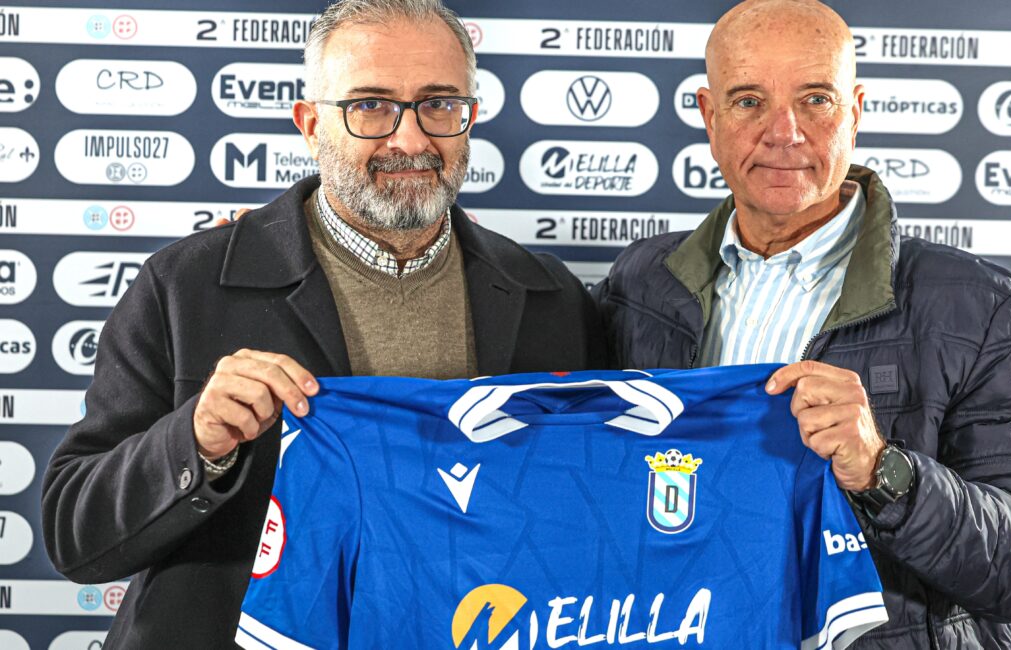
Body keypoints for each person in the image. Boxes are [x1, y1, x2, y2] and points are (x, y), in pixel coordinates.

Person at [41, 0, 603, 646]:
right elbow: (73, 534)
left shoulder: (551, 299)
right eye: (371, 106)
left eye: (439, 104)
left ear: (468, 116)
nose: (411, 141)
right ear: (311, 125)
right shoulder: (184, 285)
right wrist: (194, 444)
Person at [593, 1, 1011, 647]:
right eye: (748, 101)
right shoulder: (640, 283)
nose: (783, 132)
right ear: (710, 116)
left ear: (856, 111)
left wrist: (882, 471)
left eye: (815, 99)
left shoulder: (984, 306)